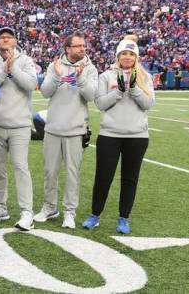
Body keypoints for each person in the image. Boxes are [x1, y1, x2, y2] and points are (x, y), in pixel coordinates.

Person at [83, 35, 155, 234]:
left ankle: (124, 218)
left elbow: (148, 104)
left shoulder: (145, 76)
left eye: (131, 54)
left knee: (129, 179)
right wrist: (118, 92)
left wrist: (133, 89)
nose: (127, 57)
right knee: (103, 177)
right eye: (124, 53)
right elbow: (100, 103)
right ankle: (95, 215)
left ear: (136, 57)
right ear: (118, 55)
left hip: (137, 136)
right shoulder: (107, 76)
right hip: (110, 134)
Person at [35, 31, 98, 229]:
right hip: (53, 127)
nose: (82, 49)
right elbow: (45, 92)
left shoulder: (90, 68)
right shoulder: (55, 65)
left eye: (83, 46)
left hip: (75, 128)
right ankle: (49, 207)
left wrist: (79, 78)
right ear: (68, 49)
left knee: (72, 174)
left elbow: (90, 95)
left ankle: (69, 212)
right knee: (49, 172)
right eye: (78, 46)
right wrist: (56, 76)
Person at [0, 27, 38, 231]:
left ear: (15, 40)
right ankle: (0, 207)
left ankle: (27, 212)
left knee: (21, 168)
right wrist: (3, 70)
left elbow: (31, 85)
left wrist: (13, 68)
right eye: (2, 37)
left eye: (9, 37)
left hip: (20, 124)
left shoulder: (26, 60)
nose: (5, 40)